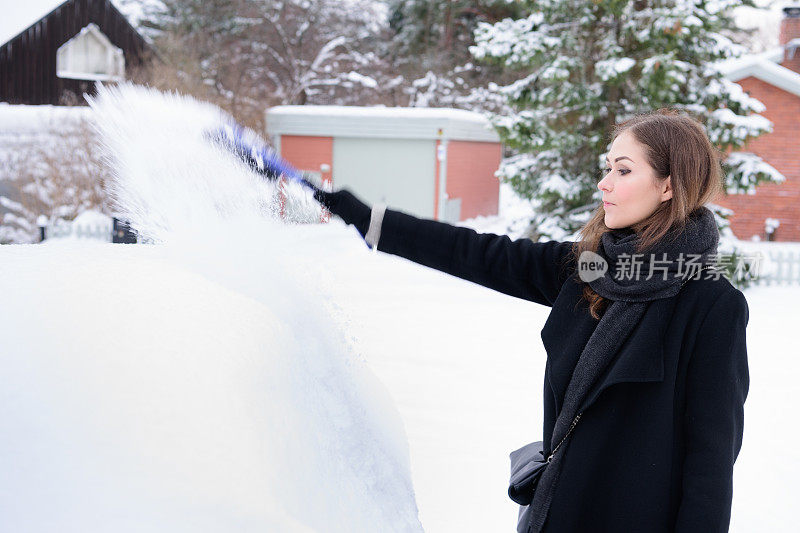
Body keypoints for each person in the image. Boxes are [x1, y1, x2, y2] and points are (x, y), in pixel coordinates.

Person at [244, 108, 749, 532]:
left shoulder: (710, 306)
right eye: (606, 167)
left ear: (667, 186)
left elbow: (709, 466)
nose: (604, 183)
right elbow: (477, 253)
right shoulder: (590, 269)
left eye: (622, 170)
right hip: (555, 515)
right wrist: (358, 213)